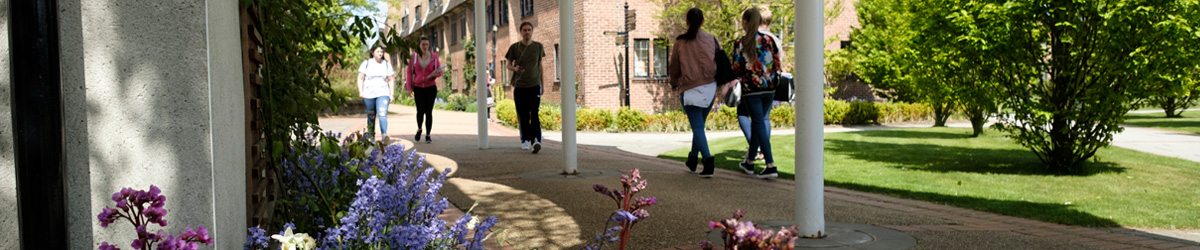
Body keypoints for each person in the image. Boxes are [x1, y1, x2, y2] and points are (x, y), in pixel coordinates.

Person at [729, 7, 782, 179]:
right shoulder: (769, 40)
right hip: (770, 88)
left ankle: (770, 165)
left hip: (752, 89)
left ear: (744, 22)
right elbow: (777, 64)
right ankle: (749, 163)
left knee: (758, 123)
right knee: (760, 122)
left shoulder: (740, 43)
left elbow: (736, 68)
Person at [668, 8, 720, 178]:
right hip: (710, 86)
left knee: (697, 127)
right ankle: (692, 158)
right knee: (699, 127)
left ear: (687, 22)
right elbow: (720, 59)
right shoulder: (711, 39)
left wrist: (674, 82)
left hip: (690, 87)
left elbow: (674, 65)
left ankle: (707, 161)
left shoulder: (681, 41)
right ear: (703, 22)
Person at [505, 21, 546, 154]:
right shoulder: (515, 47)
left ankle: (536, 140)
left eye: (529, 30)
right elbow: (508, 64)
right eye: (524, 30)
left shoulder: (538, 47)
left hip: (534, 85)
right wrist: (514, 68)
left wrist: (542, 84)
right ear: (521, 32)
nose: (527, 32)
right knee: (522, 113)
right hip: (520, 85)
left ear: (532, 31)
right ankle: (525, 140)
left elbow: (540, 66)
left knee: (534, 113)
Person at [406, 36, 442, 144]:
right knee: (420, 111)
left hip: (430, 87)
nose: (425, 47)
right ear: (419, 46)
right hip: (418, 88)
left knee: (429, 112)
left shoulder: (434, 57)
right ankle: (419, 128)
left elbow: (440, 72)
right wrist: (409, 87)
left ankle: (428, 135)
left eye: (427, 44)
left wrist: (434, 74)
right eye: (423, 45)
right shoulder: (414, 57)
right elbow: (409, 72)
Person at [357, 44, 396, 140]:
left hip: (383, 93)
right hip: (369, 94)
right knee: (371, 116)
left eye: (382, 52)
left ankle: (384, 136)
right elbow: (360, 78)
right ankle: (371, 137)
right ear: (372, 52)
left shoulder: (386, 64)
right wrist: (361, 91)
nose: (380, 53)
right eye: (378, 51)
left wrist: (391, 94)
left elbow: (391, 79)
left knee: (382, 114)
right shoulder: (366, 63)